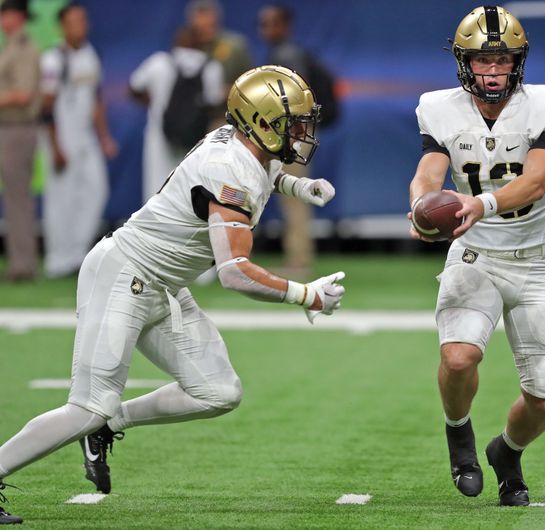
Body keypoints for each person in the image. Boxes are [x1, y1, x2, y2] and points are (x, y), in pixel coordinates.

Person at [0, 65, 345, 525]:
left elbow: (265, 168)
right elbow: (236, 273)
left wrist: (297, 185)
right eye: (293, 123)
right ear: (261, 123)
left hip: (161, 284)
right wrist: (306, 294)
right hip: (123, 275)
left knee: (218, 391)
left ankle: (110, 423)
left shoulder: (236, 139)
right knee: (87, 404)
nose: (302, 132)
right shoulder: (227, 170)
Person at [408, 6, 545, 507]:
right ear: (464, 63)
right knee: (458, 357)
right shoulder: (438, 107)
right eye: (483, 60)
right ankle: (458, 433)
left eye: (503, 60)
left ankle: (507, 451)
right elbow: (429, 168)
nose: (493, 70)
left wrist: (478, 203)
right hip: (476, 255)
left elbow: (538, 180)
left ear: (518, 62)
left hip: (538, 259)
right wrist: (420, 203)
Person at [40, 2, 118, 278]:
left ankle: (77, 254)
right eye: (74, 21)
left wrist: (104, 137)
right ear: (63, 26)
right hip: (62, 137)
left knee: (96, 190)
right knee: (61, 198)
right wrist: (56, 146)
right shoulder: (53, 59)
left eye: (83, 20)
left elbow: (96, 99)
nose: (81, 26)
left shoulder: (89, 54)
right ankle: (57, 259)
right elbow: (46, 106)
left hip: (86, 138)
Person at [259, 4, 326, 278]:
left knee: (293, 195)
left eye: (270, 23)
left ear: (284, 25)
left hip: (293, 136)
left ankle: (299, 262)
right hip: (292, 134)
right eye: (262, 24)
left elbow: (299, 95)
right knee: (291, 196)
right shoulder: (284, 53)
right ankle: (297, 258)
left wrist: (292, 136)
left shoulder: (287, 55)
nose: (264, 30)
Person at [130, 27, 225, 202]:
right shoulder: (212, 68)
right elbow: (214, 103)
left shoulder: (159, 62)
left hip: (159, 137)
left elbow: (134, 88)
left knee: (156, 191)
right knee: (190, 194)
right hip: (196, 141)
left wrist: (156, 102)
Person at [0, 0, 39, 282]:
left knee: (17, 198)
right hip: (7, 126)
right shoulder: (11, 46)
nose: (4, 18)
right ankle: (19, 262)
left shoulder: (25, 47)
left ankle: (23, 265)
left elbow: (23, 94)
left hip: (17, 127)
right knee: (14, 198)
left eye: (8, 12)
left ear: (20, 16)